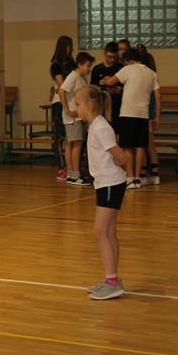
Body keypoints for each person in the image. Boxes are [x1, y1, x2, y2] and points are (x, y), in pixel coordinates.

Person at [75, 85, 131, 300]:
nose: (76, 108)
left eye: (78, 104)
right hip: (107, 183)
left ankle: (112, 282)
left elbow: (122, 155)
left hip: (110, 184)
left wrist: (119, 160)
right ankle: (112, 279)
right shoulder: (96, 126)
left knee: (100, 232)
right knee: (108, 233)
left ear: (90, 104)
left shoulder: (100, 127)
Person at [101, 48, 160, 189]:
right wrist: (157, 116)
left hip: (128, 113)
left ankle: (130, 177)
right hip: (143, 115)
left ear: (129, 61)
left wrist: (105, 80)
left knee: (127, 146)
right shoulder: (151, 73)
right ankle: (137, 178)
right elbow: (158, 96)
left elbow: (110, 82)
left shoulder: (128, 69)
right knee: (140, 147)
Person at [59, 52, 95, 187]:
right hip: (73, 117)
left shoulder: (81, 77)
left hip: (77, 116)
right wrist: (67, 109)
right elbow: (62, 91)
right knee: (77, 144)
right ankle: (74, 175)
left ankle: (72, 174)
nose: (89, 69)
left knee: (71, 144)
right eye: (88, 66)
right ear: (79, 64)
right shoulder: (73, 76)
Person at [49, 36, 75, 180]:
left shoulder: (72, 63)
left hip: (73, 102)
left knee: (73, 136)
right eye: (70, 46)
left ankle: (73, 167)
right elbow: (62, 85)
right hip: (59, 102)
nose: (73, 49)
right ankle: (61, 168)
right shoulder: (55, 65)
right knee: (60, 136)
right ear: (65, 47)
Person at [135, 43, 161, 185]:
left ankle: (147, 173)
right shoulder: (151, 73)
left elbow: (157, 97)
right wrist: (157, 115)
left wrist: (156, 116)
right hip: (147, 114)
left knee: (144, 145)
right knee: (148, 145)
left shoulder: (145, 74)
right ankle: (152, 173)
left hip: (144, 114)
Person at [90, 41, 123, 121]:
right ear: (104, 54)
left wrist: (117, 90)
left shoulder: (121, 68)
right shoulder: (97, 69)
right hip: (101, 106)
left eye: (114, 57)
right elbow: (92, 88)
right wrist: (101, 87)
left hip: (117, 106)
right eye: (109, 57)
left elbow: (127, 88)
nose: (112, 60)